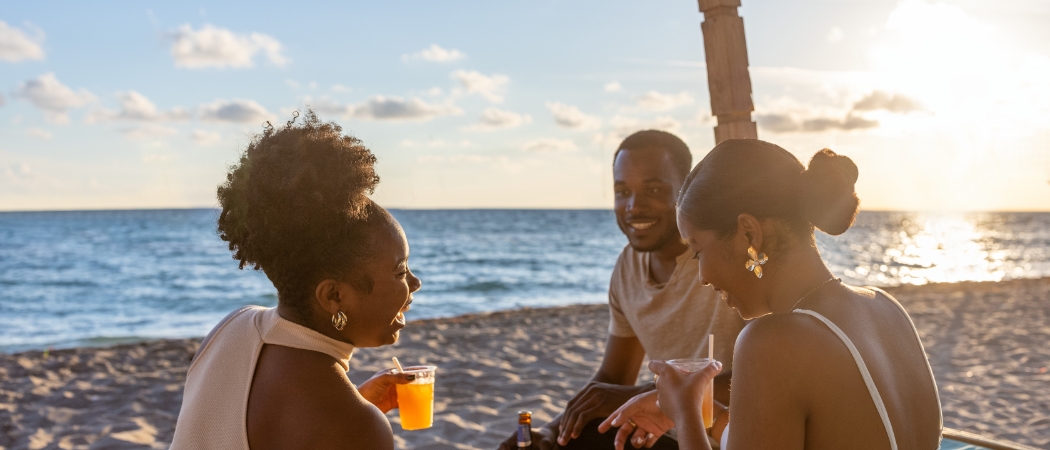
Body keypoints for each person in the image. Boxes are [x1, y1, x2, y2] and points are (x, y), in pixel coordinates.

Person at [599, 139, 942, 450]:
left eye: (698, 251)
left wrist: (686, 414)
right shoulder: (884, 306)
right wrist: (707, 415)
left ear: (749, 233)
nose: (702, 276)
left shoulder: (770, 342)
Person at [170, 111, 422, 450]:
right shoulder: (355, 426)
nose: (415, 282)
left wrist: (355, 407)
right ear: (333, 296)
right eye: (399, 271)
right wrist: (356, 420)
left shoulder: (229, 330)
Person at [500, 130, 746, 450]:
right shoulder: (627, 266)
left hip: (725, 434)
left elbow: (768, 378)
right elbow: (613, 377)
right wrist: (550, 433)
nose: (633, 206)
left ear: (687, 191)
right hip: (662, 431)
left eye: (654, 189)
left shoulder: (722, 261)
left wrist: (647, 395)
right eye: (622, 191)